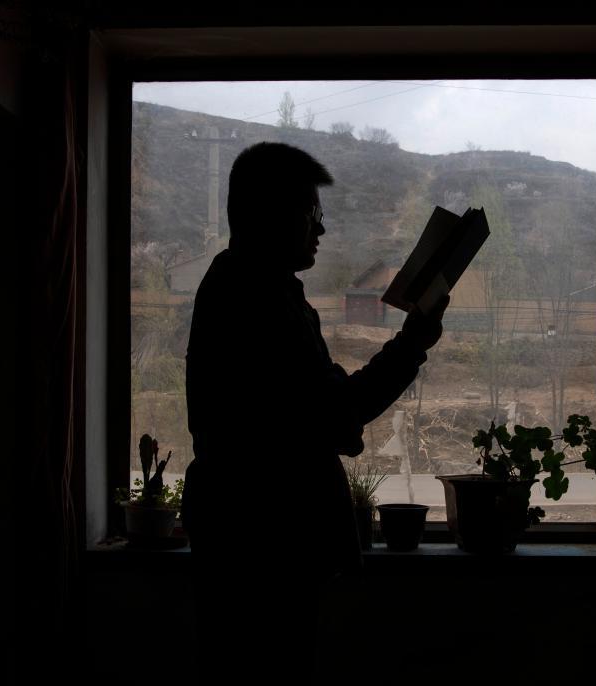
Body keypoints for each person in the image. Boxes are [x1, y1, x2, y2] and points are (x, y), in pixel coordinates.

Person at [181, 142, 448, 684]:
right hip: (265, 550)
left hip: (248, 542)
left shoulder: (250, 287)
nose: (321, 227)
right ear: (271, 214)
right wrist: (412, 343)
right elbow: (335, 413)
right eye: (311, 210)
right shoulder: (258, 299)